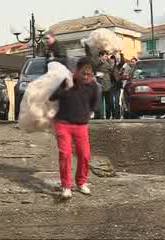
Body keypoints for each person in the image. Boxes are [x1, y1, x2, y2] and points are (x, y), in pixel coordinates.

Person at [49, 57, 99, 199]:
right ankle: (66, 186)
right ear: (76, 71)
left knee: (84, 155)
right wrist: (66, 87)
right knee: (65, 154)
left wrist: (89, 113)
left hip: (81, 125)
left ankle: (81, 182)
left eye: (89, 75)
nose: (86, 77)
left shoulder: (93, 86)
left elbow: (95, 103)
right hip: (63, 123)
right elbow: (52, 98)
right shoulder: (66, 81)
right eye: (83, 73)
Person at [95, 50, 114, 119]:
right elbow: (94, 68)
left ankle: (108, 116)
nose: (106, 57)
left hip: (107, 85)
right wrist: (97, 74)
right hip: (99, 85)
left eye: (106, 56)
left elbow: (112, 69)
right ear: (100, 56)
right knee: (99, 102)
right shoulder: (97, 62)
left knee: (108, 103)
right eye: (105, 56)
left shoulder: (107, 62)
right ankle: (99, 116)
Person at [109, 55, 123, 119]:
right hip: (110, 86)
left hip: (117, 85)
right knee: (111, 102)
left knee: (117, 102)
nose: (112, 60)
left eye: (113, 59)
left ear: (114, 60)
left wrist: (121, 54)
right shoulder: (108, 67)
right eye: (111, 59)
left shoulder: (117, 66)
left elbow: (122, 62)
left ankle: (117, 115)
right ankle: (113, 115)